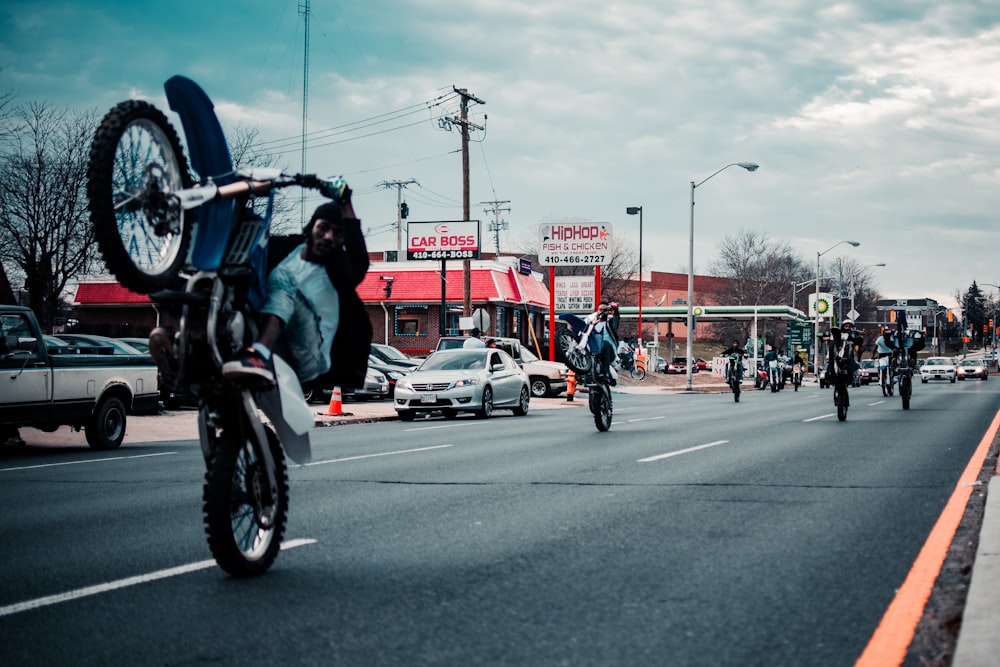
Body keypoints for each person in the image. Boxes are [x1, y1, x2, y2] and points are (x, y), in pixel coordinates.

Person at [219, 194, 372, 391]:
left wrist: (345, 202)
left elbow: (359, 262)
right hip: (282, 351)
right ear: (311, 228)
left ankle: (259, 354)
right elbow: (245, 248)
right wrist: (239, 198)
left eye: (338, 234)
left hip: (313, 360)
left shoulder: (339, 269)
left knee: (284, 286)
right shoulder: (283, 249)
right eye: (323, 228)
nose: (328, 237)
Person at [584, 300, 620, 383]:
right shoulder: (593, 324)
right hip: (595, 351)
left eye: (604, 310)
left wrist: (615, 311)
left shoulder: (609, 324)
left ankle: (606, 372)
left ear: (608, 312)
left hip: (609, 352)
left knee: (605, 343)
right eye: (600, 309)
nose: (602, 312)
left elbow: (616, 321)